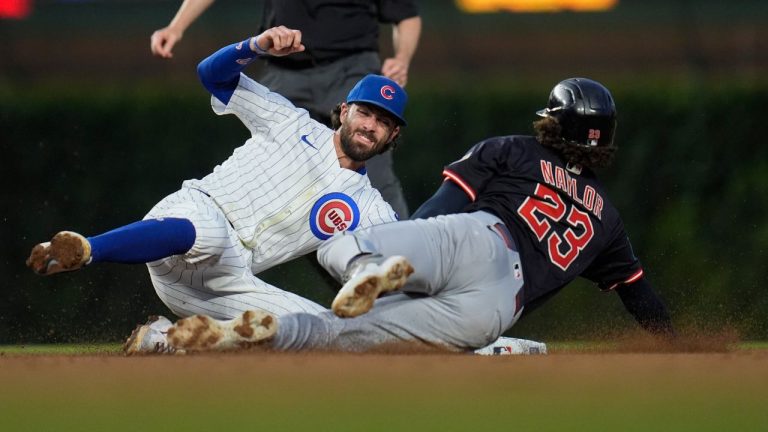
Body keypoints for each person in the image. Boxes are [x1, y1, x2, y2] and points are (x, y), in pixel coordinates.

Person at [160, 78, 676, 353]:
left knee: (340, 242)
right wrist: (679, 347)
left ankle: (369, 270)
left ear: (552, 121)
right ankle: (235, 336)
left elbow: (440, 210)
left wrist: (403, 246)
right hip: (496, 308)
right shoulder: (607, 220)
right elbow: (642, 298)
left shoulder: (516, 150)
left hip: (479, 238)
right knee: (342, 341)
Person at [26, 26, 407, 353]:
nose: (370, 125)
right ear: (344, 111)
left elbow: (399, 263)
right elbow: (212, 75)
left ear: (393, 135)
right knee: (208, 234)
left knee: (320, 330)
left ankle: (168, 339)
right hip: (192, 220)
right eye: (366, 112)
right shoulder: (290, 122)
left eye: (383, 121)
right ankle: (86, 249)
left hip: (221, 284)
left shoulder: (370, 206)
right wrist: (255, 46)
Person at [150, 0, 421, 218]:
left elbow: (406, 14)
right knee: (285, 178)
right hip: (286, 69)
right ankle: (344, 278)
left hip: (351, 71)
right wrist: (177, 26)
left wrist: (402, 59)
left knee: (373, 173)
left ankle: (400, 269)